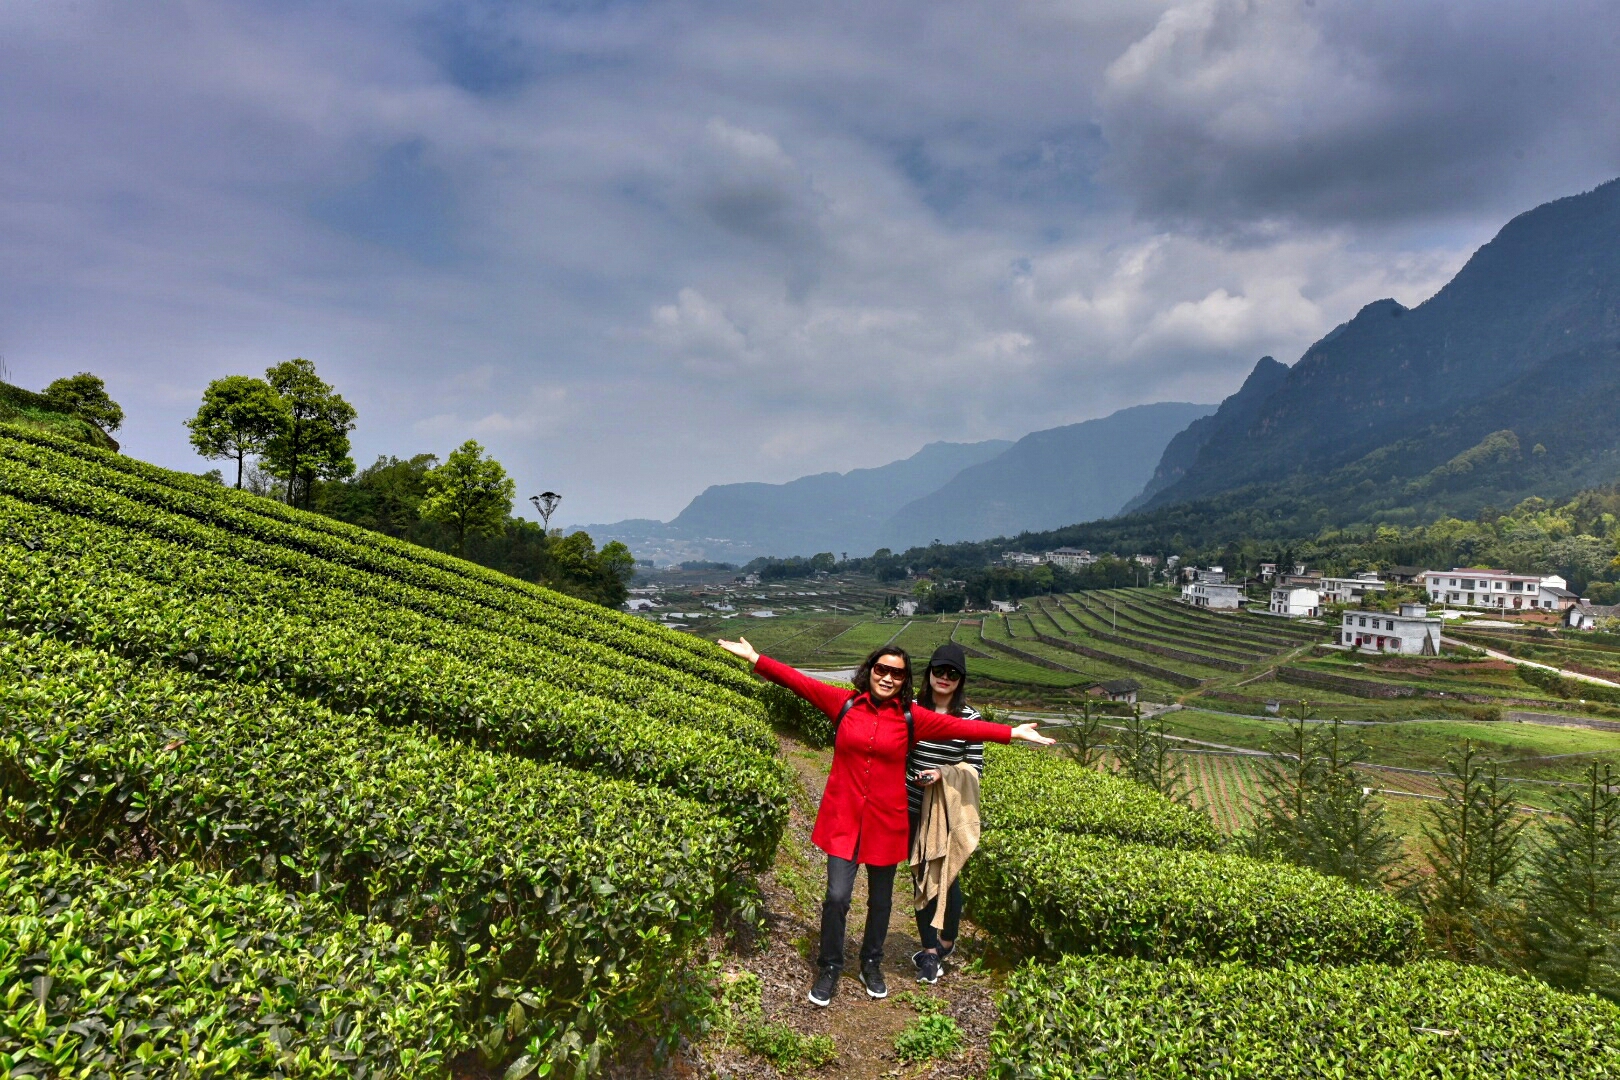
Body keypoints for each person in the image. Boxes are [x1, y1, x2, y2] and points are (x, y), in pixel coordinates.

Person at [716, 635, 1054, 1008]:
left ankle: (871, 963)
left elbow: (966, 729)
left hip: (886, 821)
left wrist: (1012, 733)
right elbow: (800, 682)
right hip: (844, 818)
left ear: (905, 681)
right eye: (882, 669)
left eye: (897, 673)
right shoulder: (843, 703)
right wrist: (755, 657)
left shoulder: (912, 717)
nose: (888, 678)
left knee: (880, 902)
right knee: (837, 897)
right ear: (870, 670)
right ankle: (829, 965)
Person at [906, 642, 981, 984]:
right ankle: (929, 951)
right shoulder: (912, 709)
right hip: (910, 807)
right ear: (930, 673)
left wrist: (941, 774)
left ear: (960, 679)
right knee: (920, 876)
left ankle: (946, 940)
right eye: (939, 671)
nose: (945, 678)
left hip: (946, 812)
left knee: (948, 878)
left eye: (952, 674)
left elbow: (974, 768)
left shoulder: (970, 719)